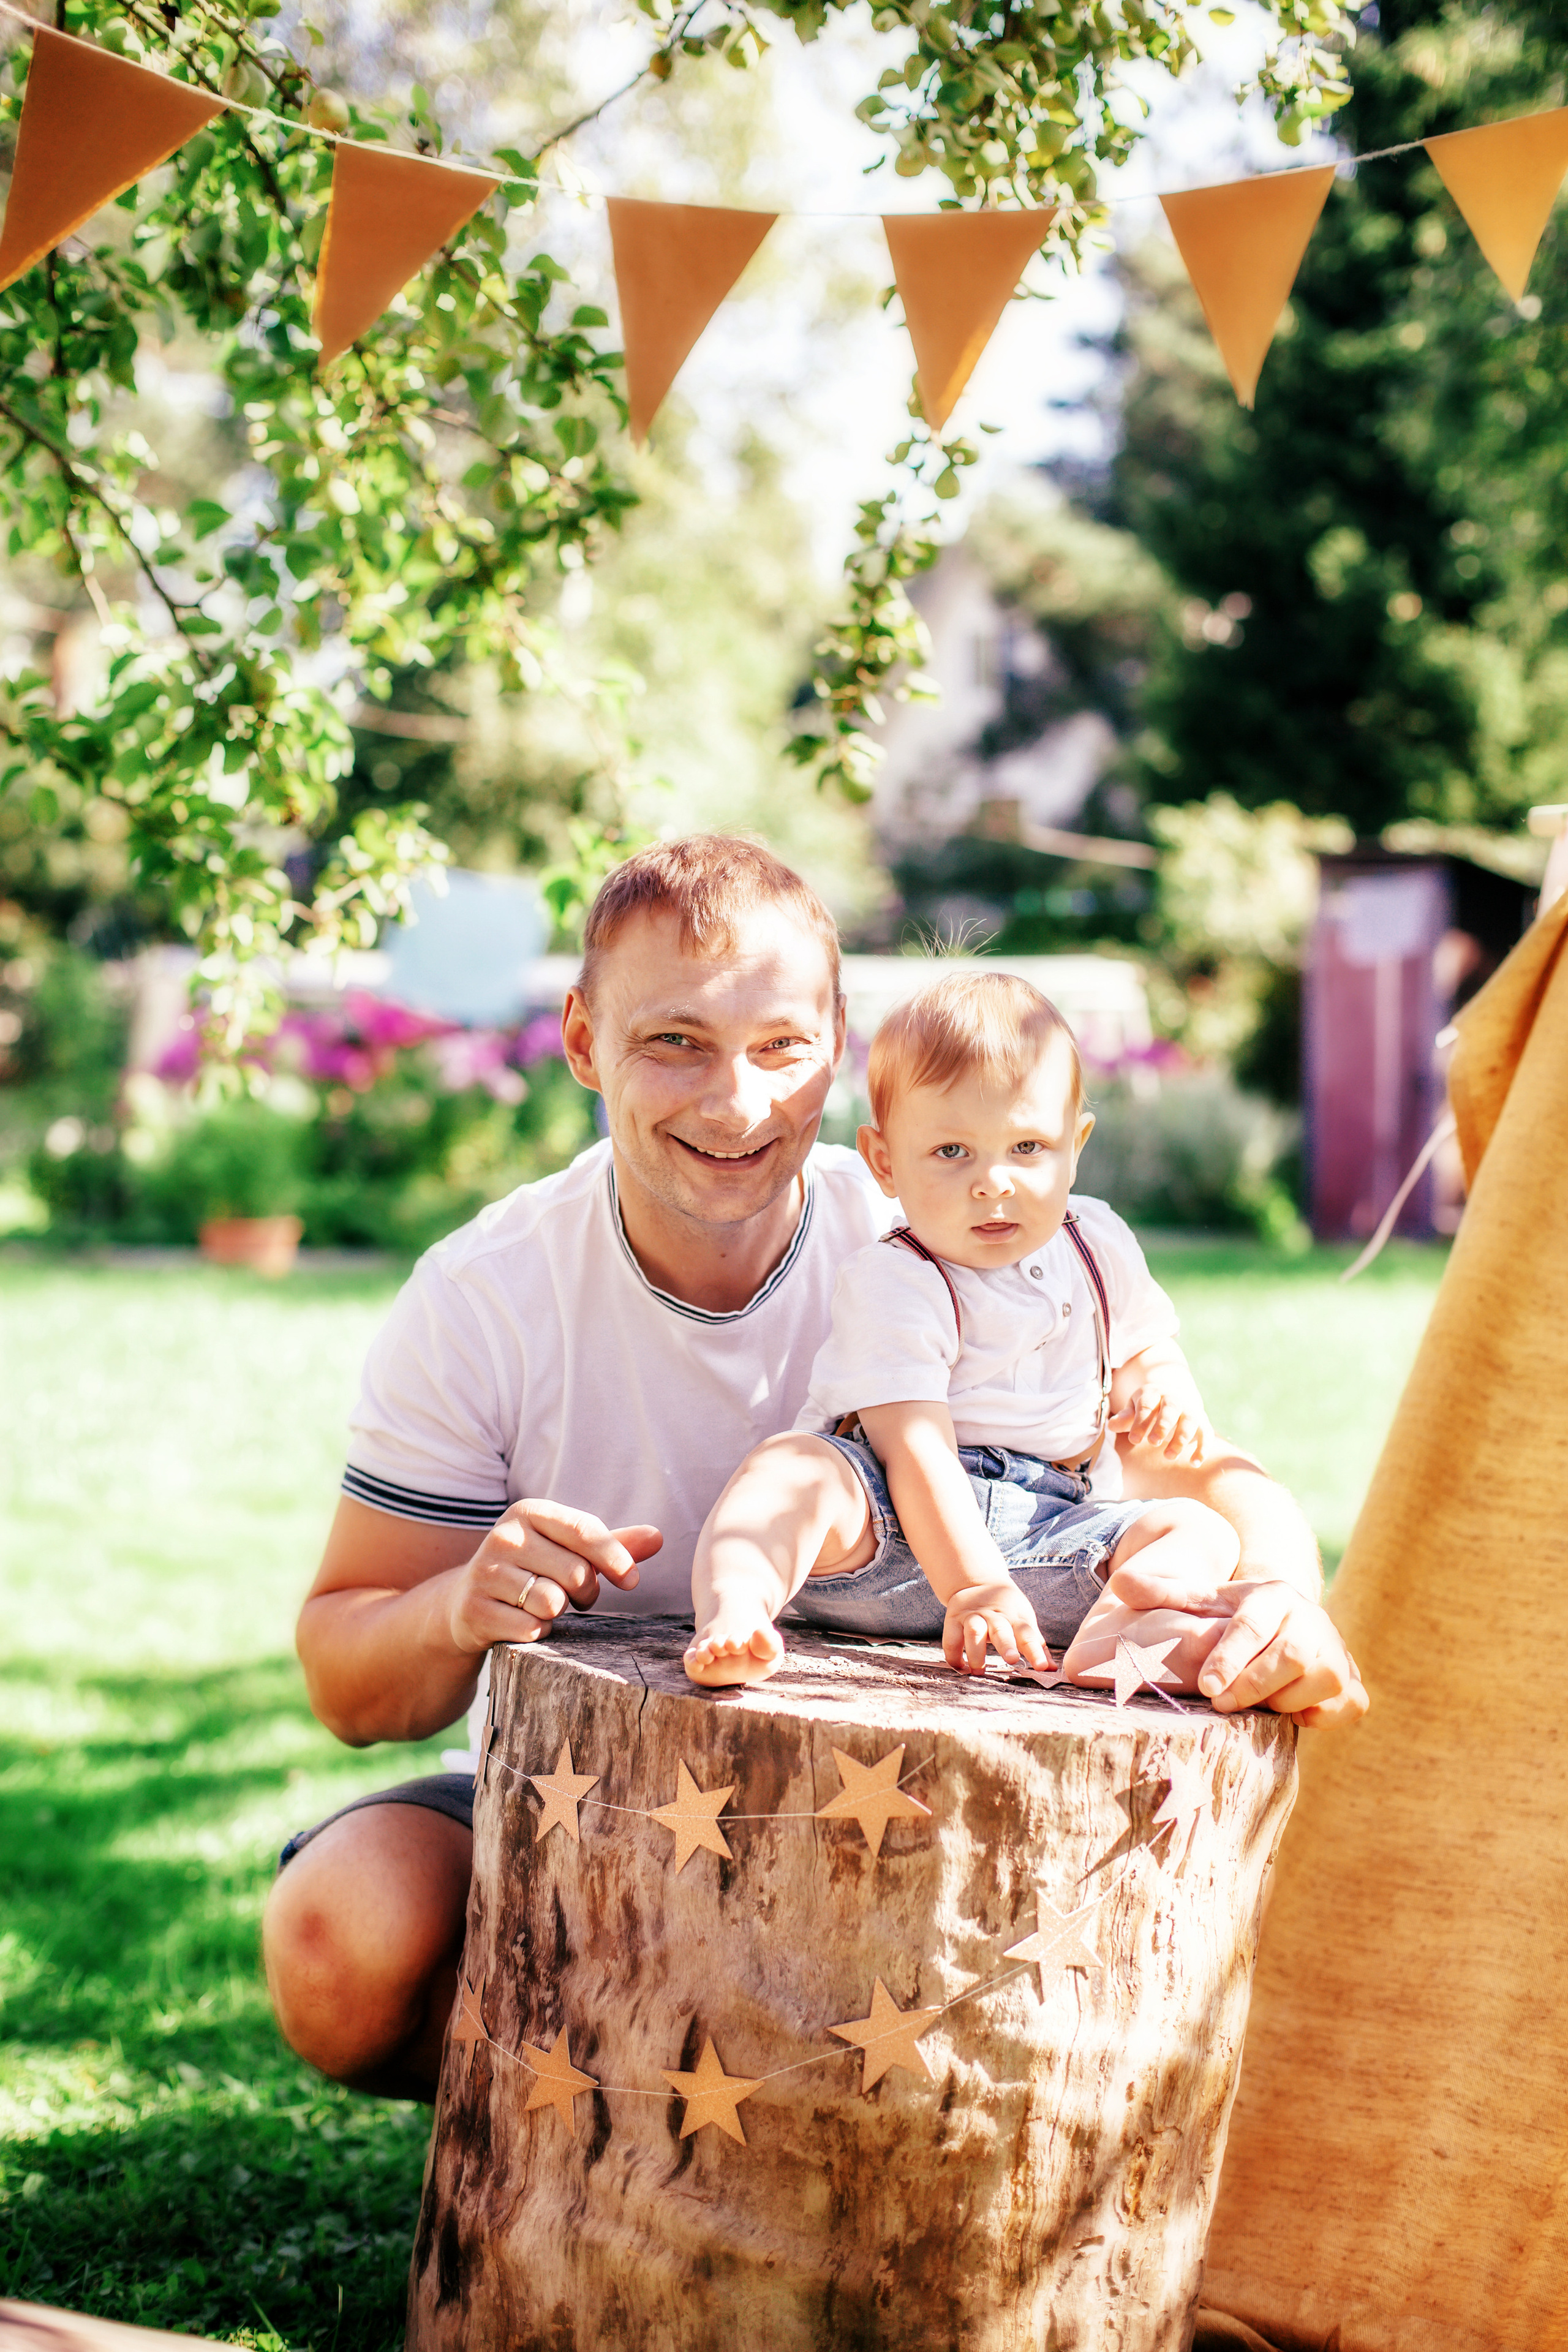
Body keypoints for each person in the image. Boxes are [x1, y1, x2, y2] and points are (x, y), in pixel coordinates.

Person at [262, 834, 1366, 2102]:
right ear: (580, 1040)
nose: (734, 1103)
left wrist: (1281, 1590)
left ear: (835, 1051)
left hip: (909, 1812)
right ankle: (577, 2121)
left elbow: (1206, 1480)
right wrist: (459, 1607)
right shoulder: (483, 1297)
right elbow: (348, 1683)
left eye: (779, 1048)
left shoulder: (952, 1230)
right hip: (586, 1798)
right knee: (336, 1943)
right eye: (673, 1042)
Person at [685, 970, 1239, 1689]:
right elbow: (914, 1449)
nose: (993, 1183)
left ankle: (1115, 1631)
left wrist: (1165, 1390)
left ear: (1076, 1145)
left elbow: (1142, 1346)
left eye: (1028, 1149)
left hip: (1050, 1529)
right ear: (885, 1162)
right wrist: (975, 1587)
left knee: (1199, 1529)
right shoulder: (896, 1278)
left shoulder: (1097, 1243)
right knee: (790, 1472)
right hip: (884, 1535)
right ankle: (737, 1609)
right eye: (952, 1153)